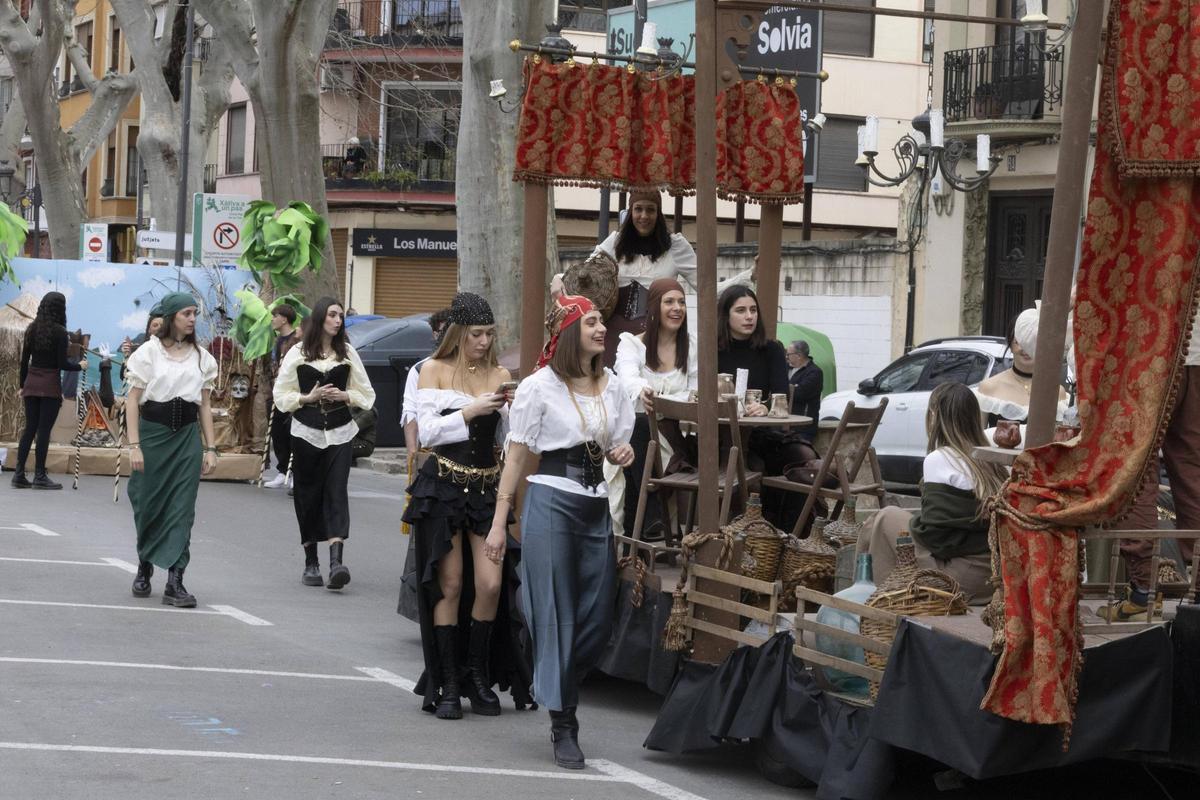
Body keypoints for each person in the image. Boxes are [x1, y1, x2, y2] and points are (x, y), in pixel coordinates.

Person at [486, 294, 635, 770]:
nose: (601, 329)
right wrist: (499, 524)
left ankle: (543, 650)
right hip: (551, 501)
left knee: (597, 619)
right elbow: (516, 457)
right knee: (559, 615)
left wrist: (622, 453)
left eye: (601, 322)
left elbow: (617, 443)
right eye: (591, 323)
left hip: (596, 507)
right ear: (570, 332)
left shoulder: (612, 385)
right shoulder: (540, 387)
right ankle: (564, 723)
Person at [402, 293, 528, 720]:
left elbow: (511, 440)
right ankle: (449, 681)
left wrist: (512, 411)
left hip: (486, 487)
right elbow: (428, 432)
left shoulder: (500, 373)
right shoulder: (433, 370)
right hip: (443, 485)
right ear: (458, 334)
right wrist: (471, 410)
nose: (484, 341)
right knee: (451, 583)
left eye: (489, 333)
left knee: (491, 583)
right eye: (476, 334)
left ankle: (476, 673)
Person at [854, 383, 1006, 604]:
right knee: (875, 523)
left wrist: (912, 523)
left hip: (957, 579)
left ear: (934, 416)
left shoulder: (940, 458)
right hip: (990, 577)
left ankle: (875, 600)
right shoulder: (992, 460)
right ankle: (876, 597)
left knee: (885, 517)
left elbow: (936, 538)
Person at [273, 297, 376, 589]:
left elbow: (367, 394)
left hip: (341, 432)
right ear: (320, 318)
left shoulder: (348, 353)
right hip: (306, 431)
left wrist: (345, 396)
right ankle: (311, 562)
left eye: (340, 316)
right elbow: (281, 396)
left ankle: (336, 563)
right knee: (307, 495)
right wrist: (307, 398)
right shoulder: (297, 353)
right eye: (332, 315)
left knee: (336, 492)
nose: (337, 320)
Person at [124, 292, 219, 606]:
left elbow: (204, 404)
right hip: (153, 436)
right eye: (186, 313)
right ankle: (145, 565)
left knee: (182, 509)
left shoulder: (202, 357)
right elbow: (132, 401)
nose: (192, 319)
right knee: (148, 504)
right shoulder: (149, 353)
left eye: (194, 314)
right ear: (171, 318)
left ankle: (175, 581)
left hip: (186, 439)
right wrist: (134, 446)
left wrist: (211, 448)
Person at [591, 190, 751, 365]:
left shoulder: (675, 246)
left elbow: (707, 289)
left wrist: (751, 275)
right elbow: (583, 276)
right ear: (631, 212)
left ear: (658, 213)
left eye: (650, 210)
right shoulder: (615, 243)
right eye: (638, 209)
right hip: (613, 336)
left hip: (656, 337)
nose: (644, 216)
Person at [717, 285, 814, 530]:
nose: (749, 316)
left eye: (753, 310)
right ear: (726, 315)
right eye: (741, 310)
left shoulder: (771, 349)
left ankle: (792, 534)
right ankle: (759, 530)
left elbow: (781, 395)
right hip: (723, 438)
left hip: (763, 434)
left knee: (803, 458)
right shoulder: (713, 350)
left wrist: (765, 406)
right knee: (755, 469)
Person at [611, 277, 698, 538]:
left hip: (676, 436)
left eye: (681, 302)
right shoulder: (632, 344)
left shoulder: (691, 345)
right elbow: (626, 377)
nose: (677, 308)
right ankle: (650, 520)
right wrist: (642, 390)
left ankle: (644, 526)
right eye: (669, 302)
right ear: (654, 307)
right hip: (637, 439)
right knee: (638, 426)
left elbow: (695, 392)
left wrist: (665, 403)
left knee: (639, 430)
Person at [12, 292, 87, 490]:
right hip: (49, 385)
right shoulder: (60, 332)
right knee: (44, 430)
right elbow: (62, 364)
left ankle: (18, 475)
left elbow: (24, 362)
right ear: (60, 308)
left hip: (31, 383)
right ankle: (39, 476)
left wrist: (22, 386)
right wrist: (80, 365)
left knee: (30, 429)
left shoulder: (31, 329)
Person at [976, 305, 1067, 436]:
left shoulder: (1057, 392)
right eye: (1019, 341)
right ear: (1010, 344)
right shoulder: (989, 387)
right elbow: (978, 440)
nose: (1025, 348)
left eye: (1033, 342)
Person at [263, 305, 301, 489]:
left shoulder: (297, 339)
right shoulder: (277, 340)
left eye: (275, 316)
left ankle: (295, 471)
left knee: (290, 432)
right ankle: (282, 469)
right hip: (276, 391)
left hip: (292, 393)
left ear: (284, 319)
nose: (272, 319)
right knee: (277, 432)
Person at [786, 339, 823, 441]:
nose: (786, 357)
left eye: (788, 354)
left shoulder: (814, 372)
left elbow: (799, 394)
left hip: (803, 428)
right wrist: (792, 387)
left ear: (798, 355)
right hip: (784, 425)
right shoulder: (786, 368)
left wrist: (785, 388)